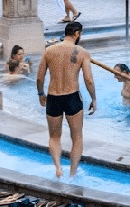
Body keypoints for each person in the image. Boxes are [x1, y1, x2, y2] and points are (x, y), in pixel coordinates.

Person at [37, 21, 96, 178]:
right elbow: (88, 79)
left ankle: (58, 168)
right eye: (80, 34)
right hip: (72, 97)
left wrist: (40, 94)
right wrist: (93, 98)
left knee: (54, 137)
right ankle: (72, 173)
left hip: (53, 97)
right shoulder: (82, 52)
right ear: (77, 34)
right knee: (77, 138)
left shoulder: (49, 51)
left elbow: (39, 77)